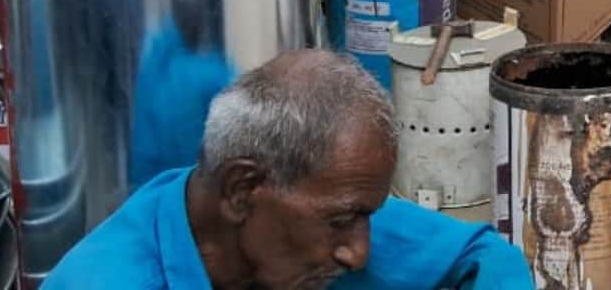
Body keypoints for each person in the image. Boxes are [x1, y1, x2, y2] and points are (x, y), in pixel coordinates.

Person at [45, 49, 530, 288]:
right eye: (342, 220)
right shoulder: (102, 280)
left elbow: (490, 260)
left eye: (366, 216)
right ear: (241, 189)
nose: (358, 253)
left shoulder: (323, 216)